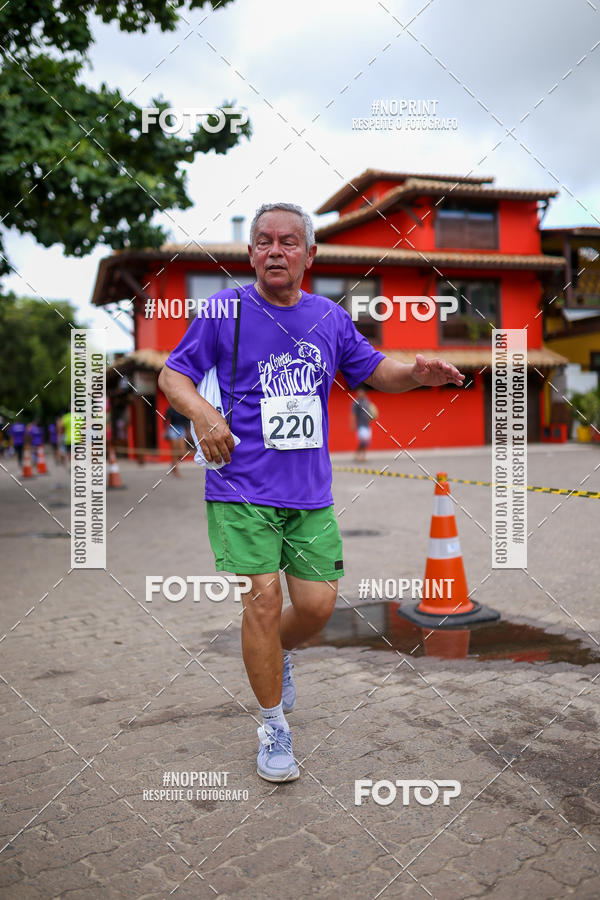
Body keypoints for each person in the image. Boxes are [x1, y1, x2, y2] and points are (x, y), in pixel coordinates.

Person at [158, 202, 464, 783]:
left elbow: (377, 371)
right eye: (265, 241)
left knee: (319, 607)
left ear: (310, 255)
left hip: (309, 496)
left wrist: (417, 375)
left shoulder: (328, 317)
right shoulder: (224, 310)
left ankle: (275, 655)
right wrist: (200, 412)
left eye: (289, 242)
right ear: (250, 254)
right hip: (240, 488)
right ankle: (272, 724)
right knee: (263, 602)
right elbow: (173, 374)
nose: (276, 250)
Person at [351, 387, 378, 461]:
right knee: (363, 441)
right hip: (360, 425)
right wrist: (353, 424)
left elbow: (371, 410)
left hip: (367, 424)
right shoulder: (356, 403)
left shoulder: (367, 401)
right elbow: (353, 414)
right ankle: (359, 455)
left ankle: (362, 455)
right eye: (359, 392)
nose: (360, 394)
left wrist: (373, 416)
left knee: (366, 442)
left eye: (361, 392)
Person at [164, 405, 189, 477]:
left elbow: (187, 419)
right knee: (175, 451)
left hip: (182, 429)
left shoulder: (183, 408)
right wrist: (166, 431)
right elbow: (165, 419)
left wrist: (188, 430)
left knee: (183, 452)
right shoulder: (170, 408)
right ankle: (176, 470)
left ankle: (173, 464)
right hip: (173, 429)